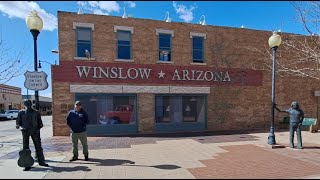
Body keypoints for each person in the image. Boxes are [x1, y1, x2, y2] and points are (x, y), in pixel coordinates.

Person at [16, 99, 49, 171]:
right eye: (26, 103)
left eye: (29, 103)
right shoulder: (21, 113)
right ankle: (27, 164)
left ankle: (41, 161)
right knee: (25, 148)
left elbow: (40, 123)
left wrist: (37, 130)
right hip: (25, 132)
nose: (28, 105)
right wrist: (21, 128)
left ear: (31, 104)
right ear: (24, 104)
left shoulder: (36, 112)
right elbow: (18, 123)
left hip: (35, 132)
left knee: (38, 146)